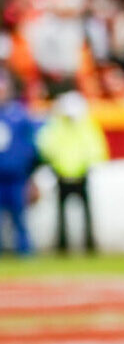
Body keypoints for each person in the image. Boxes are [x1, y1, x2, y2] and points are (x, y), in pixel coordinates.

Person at [35, 91, 106, 254]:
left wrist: (88, 165)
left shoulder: (85, 126)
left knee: (86, 215)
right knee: (62, 215)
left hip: (81, 175)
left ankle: (89, 245)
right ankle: (63, 246)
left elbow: (96, 149)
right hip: (62, 175)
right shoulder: (56, 127)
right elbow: (47, 146)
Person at [0, 74, 37, 257]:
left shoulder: (19, 116)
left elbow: (31, 147)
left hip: (15, 176)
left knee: (20, 217)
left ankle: (25, 252)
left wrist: (30, 174)